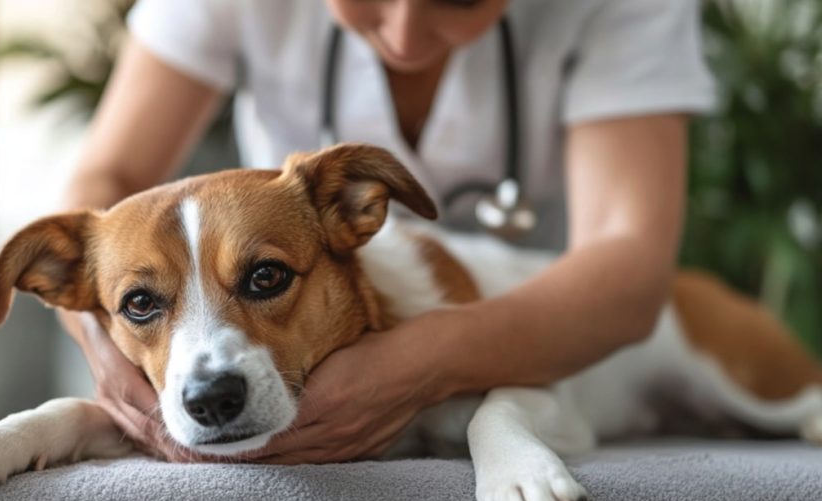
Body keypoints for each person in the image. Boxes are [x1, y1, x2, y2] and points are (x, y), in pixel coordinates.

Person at [58, 0, 714, 463]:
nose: (405, 31)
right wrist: (107, 347)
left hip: (546, 317)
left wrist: (417, 365)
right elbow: (107, 184)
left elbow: (631, 262)